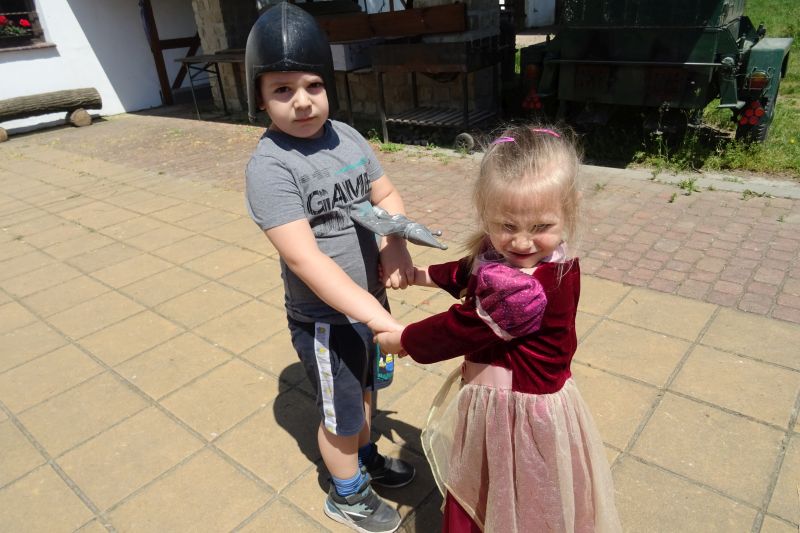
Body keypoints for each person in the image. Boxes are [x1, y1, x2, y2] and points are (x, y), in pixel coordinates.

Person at [376, 125, 622, 532]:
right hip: (501, 403)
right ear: (486, 211)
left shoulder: (527, 291)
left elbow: (461, 329)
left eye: (540, 227)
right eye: (507, 226)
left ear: (570, 209)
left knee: (518, 501)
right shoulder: (526, 258)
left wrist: (403, 340)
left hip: (519, 416)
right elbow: (471, 270)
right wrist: (420, 275)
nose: (522, 243)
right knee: (492, 488)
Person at [243, 4, 416, 532]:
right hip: (326, 320)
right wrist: (378, 318)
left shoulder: (348, 138)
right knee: (341, 415)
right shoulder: (271, 167)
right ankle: (347, 494)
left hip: (368, 305)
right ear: (259, 97)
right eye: (282, 89)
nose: (302, 101)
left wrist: (396, 242)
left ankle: (362, 460)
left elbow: (384, 194)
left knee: (364, 396)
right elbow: (305, 258)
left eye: (313, 85)